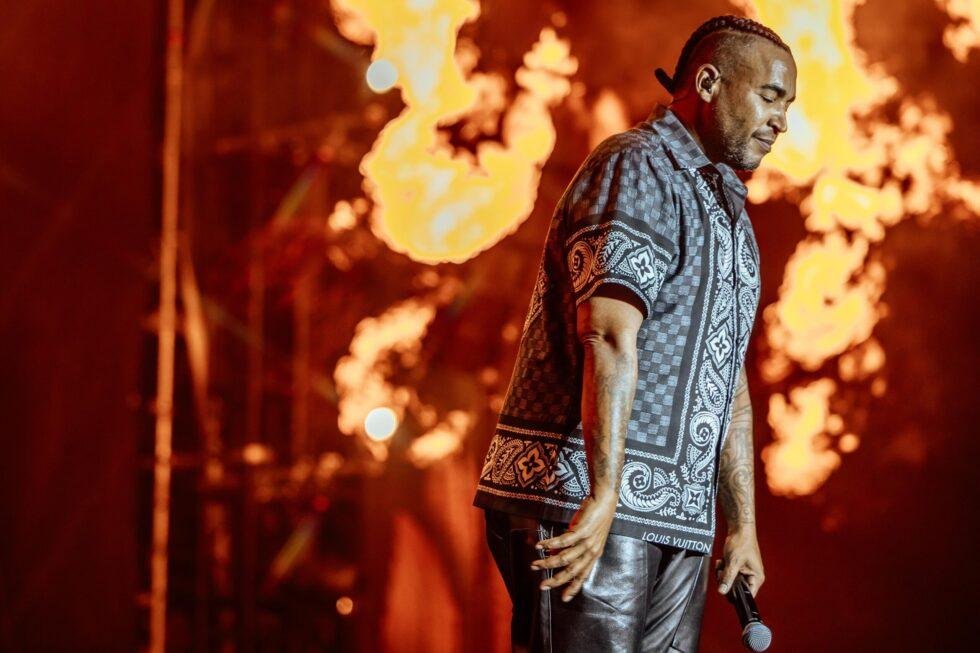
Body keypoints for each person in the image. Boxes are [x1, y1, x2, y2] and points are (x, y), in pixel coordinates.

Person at [473, 14, 798, 652]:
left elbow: (726, 377)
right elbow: (608, 334)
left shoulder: (729, 214)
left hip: (678, 522)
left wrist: (741, 526)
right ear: (708, 83)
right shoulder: (638, 166)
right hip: (585, 501)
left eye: (787, 106)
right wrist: (603, 495)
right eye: (770, 97)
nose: (781, 121)